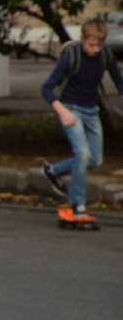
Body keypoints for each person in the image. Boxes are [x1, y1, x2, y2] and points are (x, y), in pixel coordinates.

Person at [40, 18, 123, 219]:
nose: (95, 49)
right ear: (83, 39)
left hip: (91, 111)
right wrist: (63, 111)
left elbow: (119, 81)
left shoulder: (106, 56)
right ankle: (78, 205)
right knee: (83, 155)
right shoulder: (72, 56)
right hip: (71, 110)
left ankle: (54, 171)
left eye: (99, 45)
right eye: (91, 44)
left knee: (95, 160)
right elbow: (47, 89)